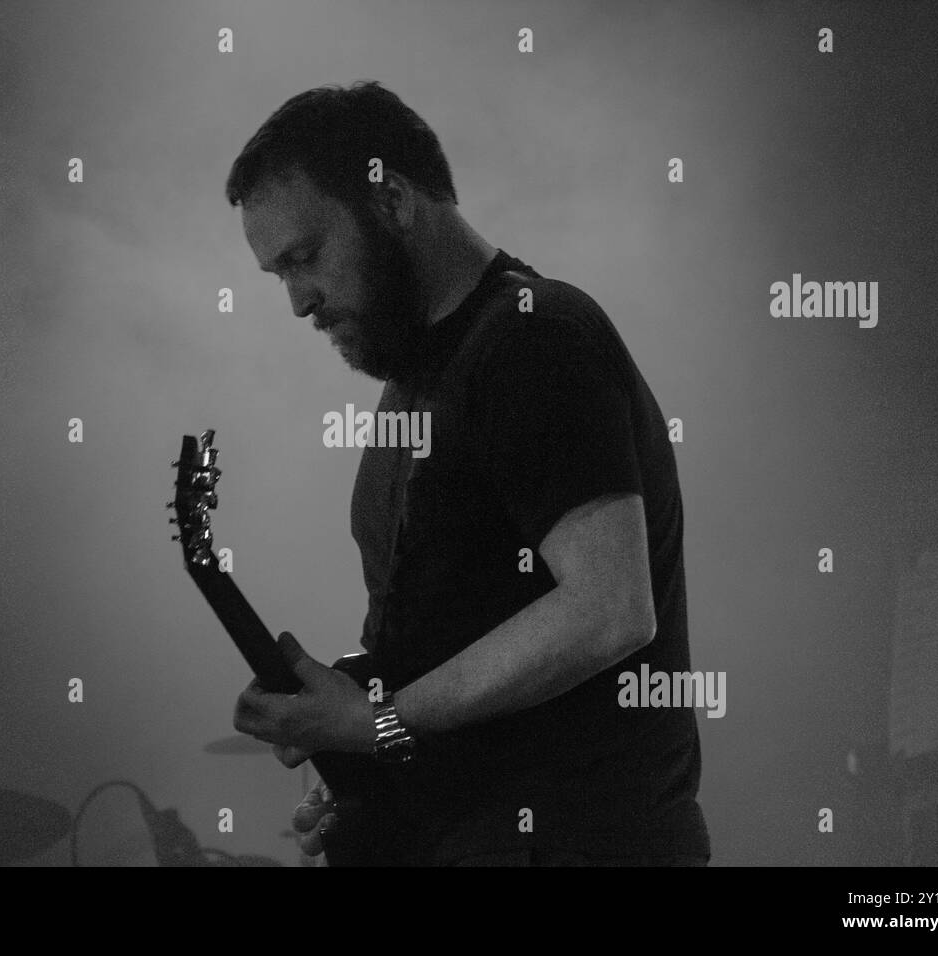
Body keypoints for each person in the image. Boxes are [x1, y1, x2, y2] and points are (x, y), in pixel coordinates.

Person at [228, 81, 710, 866]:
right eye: (277, 273)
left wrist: (379, 724)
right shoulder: (416, 383)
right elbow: (438, 642)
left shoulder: (535, 339)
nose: (298, 301)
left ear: (391, 199)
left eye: (305, 256)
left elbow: (609, 608)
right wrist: (357, 769)